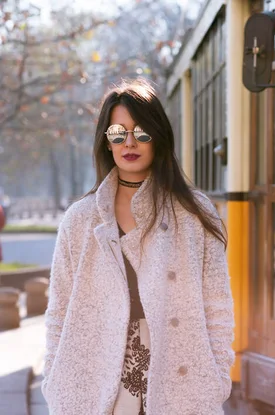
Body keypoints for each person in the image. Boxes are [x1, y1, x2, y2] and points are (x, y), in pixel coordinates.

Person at [41, 78, 235, 415]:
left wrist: (217, 378)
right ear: (107, 141)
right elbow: (58, 310)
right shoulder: (80, 220)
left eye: (142, 132)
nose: (129, 142)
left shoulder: (195, 215)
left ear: (158, 137)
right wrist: (53, 379)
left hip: (178, 376)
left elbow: (218, 309)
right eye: (118, 133)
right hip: (95, 377)